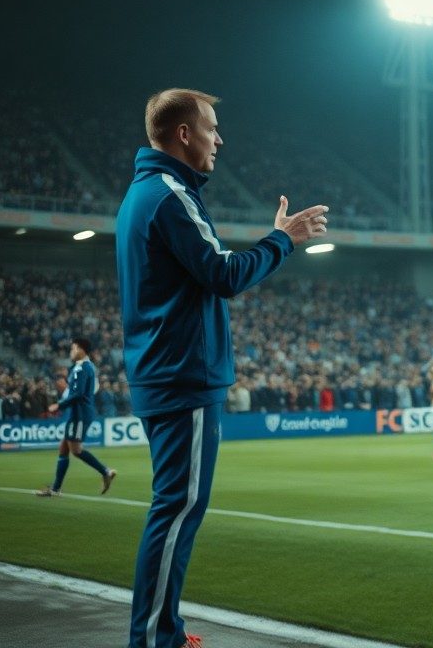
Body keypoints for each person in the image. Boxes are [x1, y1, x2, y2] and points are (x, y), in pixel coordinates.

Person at [117, 88, 328, 648]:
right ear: (184, 134)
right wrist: (282, 239)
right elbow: (223, 274)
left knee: (176, 509)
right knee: (177, 511)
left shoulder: (148, 191)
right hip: (182, 375)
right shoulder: (168, 194)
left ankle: (165, 628)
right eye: (211, 128)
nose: (220, 139)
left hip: (168, 371)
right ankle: (154, 640)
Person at [35, 337, 117, 497]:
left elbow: (78, 394)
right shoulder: (86, 367)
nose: (71, 352)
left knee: (76, 450)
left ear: (81, 350)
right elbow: (83, 390)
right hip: (77, 412)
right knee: (64, 447)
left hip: (78, 413)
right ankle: (56, 488)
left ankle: (106, 471)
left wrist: (59, 405)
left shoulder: (82, 368)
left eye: (73, 349)